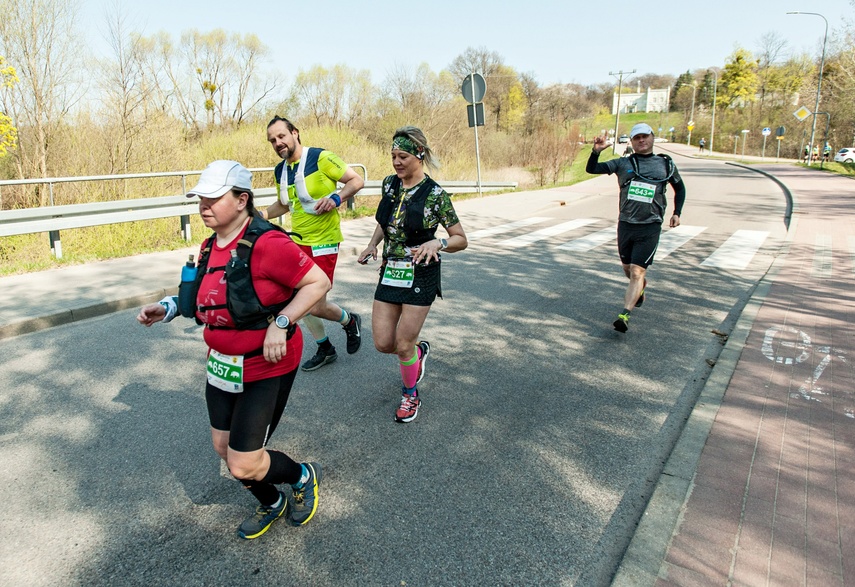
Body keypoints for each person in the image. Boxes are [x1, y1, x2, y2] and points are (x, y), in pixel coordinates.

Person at [137, 160, 331, 539]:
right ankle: (272, 501)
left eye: (213, 198)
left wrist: (282, 323)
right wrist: (169, 307)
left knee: (242, 464)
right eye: (200, 199)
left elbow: (317, 282)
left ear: (242, 200)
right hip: (222, 364)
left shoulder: (269, 243)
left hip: (266, 365)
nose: (204, 206)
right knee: (223, 449)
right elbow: (204, 297)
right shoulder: (210, 245)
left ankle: (302, 476)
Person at [357, 127, 467, 422]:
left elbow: (460, 239)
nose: (396, 162)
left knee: (403, 342)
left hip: (422, 274)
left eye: (402, 156)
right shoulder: (390, 185)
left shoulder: (435, 195)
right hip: (391, 271)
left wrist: (439, 242)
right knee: (383, 343)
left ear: (419, 156)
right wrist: (372, 245)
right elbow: (386, 222)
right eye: (393, 156)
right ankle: (417, 355)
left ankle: (410, 395)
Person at [263, 116, 365, 372]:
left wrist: (336, 198)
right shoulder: (280, 170)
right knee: (299, 300)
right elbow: (285, 204)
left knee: (314, 303)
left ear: (295, 133)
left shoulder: (321, 158)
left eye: (281, 136)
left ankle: (349, 321)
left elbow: (356, 180)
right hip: (297, 242)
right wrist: (260, 216)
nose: (278, 143)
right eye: (272, 140)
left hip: (324, 241)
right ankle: (325, 348)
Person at [586, 123, 685, 333]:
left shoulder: (665, 164)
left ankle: (625, 314)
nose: (641, 140)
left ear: (652, 138)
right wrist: (595, 152)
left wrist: (677, 212)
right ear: (632, 142)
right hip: (626, 224)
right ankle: (640, 289)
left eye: (645, 136)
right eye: (637, 137)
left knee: (637, 271)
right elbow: (592, 169)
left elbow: (680, 188)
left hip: (651, 225)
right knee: (627, 270)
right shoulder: (623, 163)